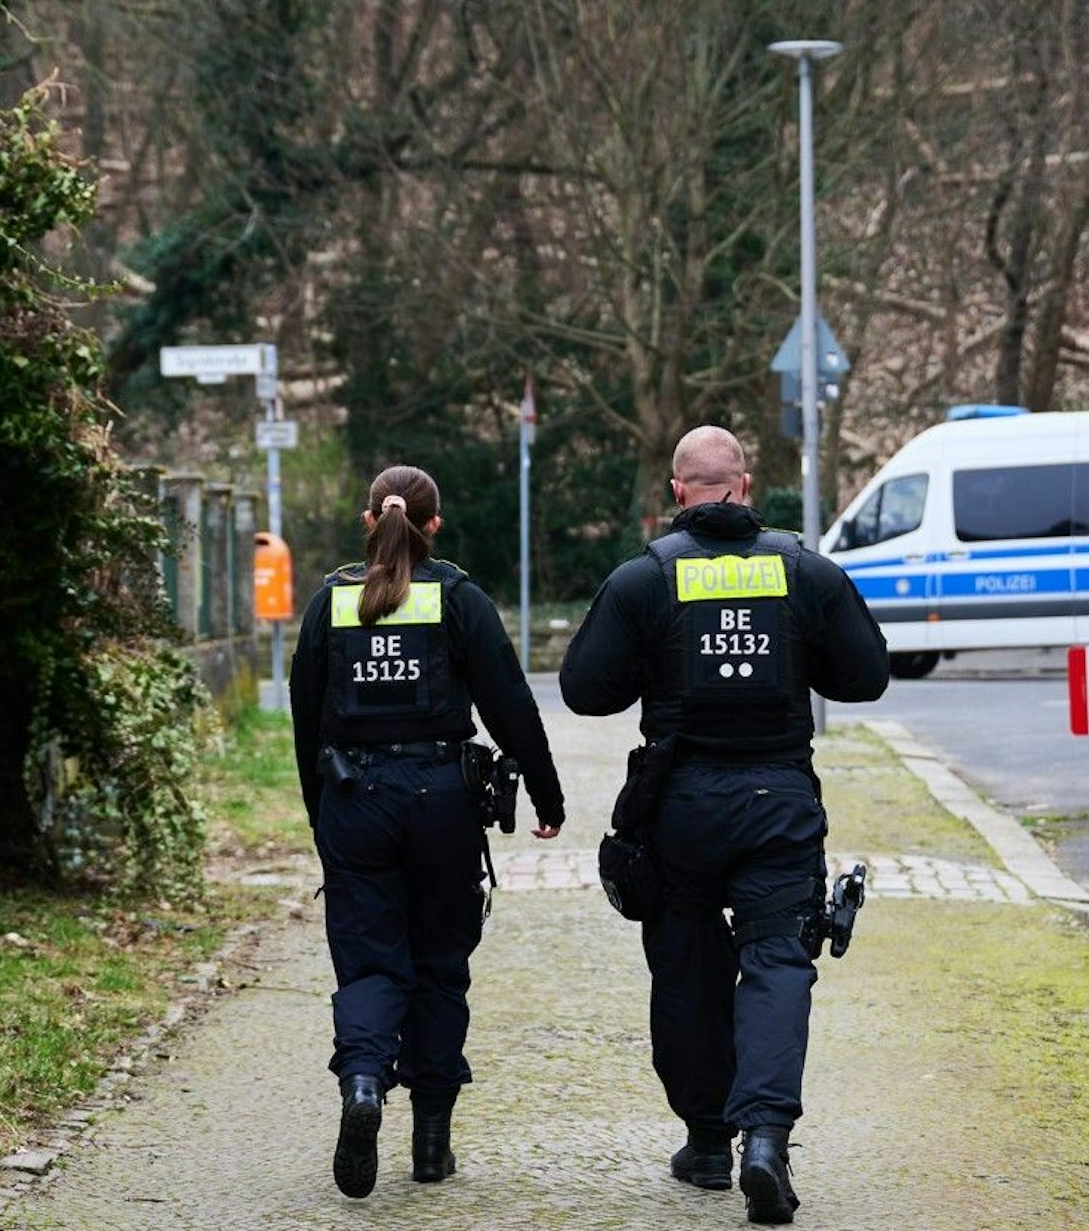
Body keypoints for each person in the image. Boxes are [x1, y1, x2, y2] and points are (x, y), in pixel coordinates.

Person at [558, 426, 891, 1225]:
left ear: (680, 492)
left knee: (686, 968)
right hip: (779, 801)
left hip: (681, 808)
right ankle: (767, 1141)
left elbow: (583, 690)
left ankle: (708, 1142)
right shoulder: (803, 571)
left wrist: (653, 659)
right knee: (779, 962)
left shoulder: (646, 579)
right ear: (743, 484)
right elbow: (867, 677)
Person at [290, 463, 565, 1200]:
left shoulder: (330, 602)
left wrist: (324, 816)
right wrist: (546, 792)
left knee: (372, 964)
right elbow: (510, 703)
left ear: (367, 520)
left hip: (356, 801)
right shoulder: (458, 597)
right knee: (441, 966)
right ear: (433, 524)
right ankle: (432, 1144)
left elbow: (306, 718)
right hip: (442, 800)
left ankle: (363, 1086)